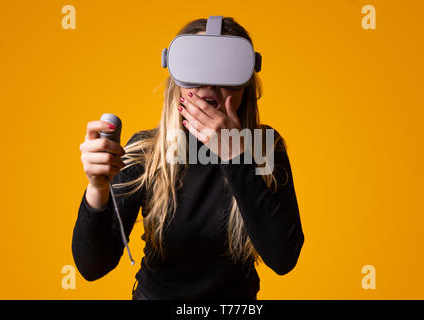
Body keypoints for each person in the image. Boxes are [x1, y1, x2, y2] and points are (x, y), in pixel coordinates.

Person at [73, 17, 304, 300]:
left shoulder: (265, 148)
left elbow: (283, 259)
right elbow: (92, 267)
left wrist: (235, 157)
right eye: (195, 67)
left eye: (226, 69)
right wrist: (97, 189)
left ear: (246, 83)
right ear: (176, 79)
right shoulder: (148, 152)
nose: (208, 85)